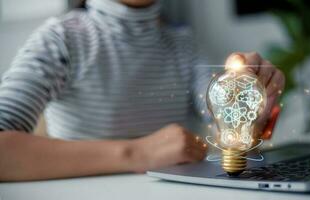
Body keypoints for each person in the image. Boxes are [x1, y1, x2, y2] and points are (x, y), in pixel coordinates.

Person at [0, 0, 285, 181]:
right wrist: (137, 153)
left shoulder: (183, 44)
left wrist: (252, 110)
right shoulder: (61, 40)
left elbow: (231, 136)